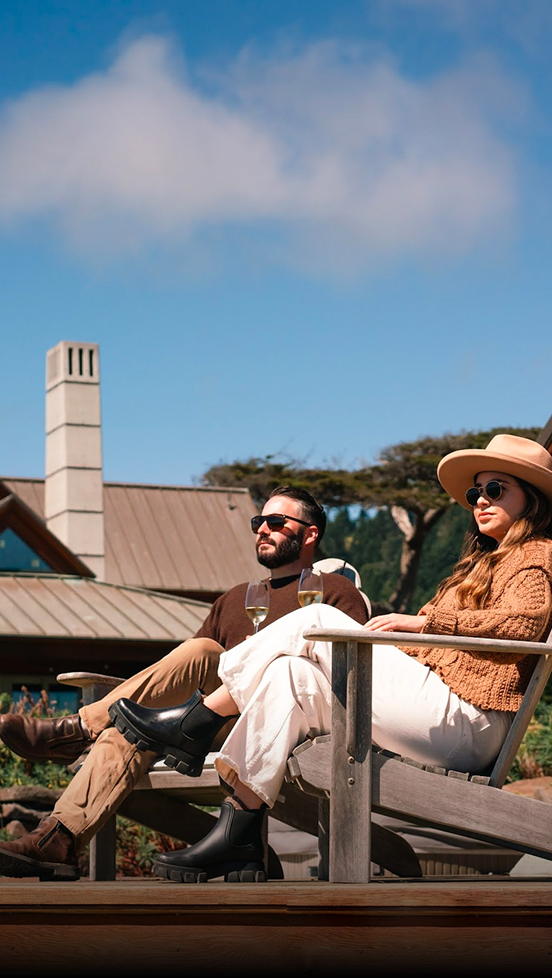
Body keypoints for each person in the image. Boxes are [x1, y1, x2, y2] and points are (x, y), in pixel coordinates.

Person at [107, 433, 552, 884]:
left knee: (316, 615)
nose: (479, 500)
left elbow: (524, 625)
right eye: (476, 492)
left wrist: (424, 623)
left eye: (495, 489)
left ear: (529, 500)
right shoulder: (481, 565)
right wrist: (404, 637)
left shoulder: (537, 555)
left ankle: (194, 721)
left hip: (466, 721)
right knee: (288, 674)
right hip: (436, 711)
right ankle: (238, 832)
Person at [0, 486, 369, 880]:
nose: (262, 529)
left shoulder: (335, 593)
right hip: (212, 723)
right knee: (127, 731)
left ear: (310, 534)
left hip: (286, 717)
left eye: (275, 522)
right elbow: (183, 675)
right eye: (257, 522)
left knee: (202, 652)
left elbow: (349, 675)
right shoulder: (236, 599)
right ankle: (58, 840)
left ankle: (76, 728)